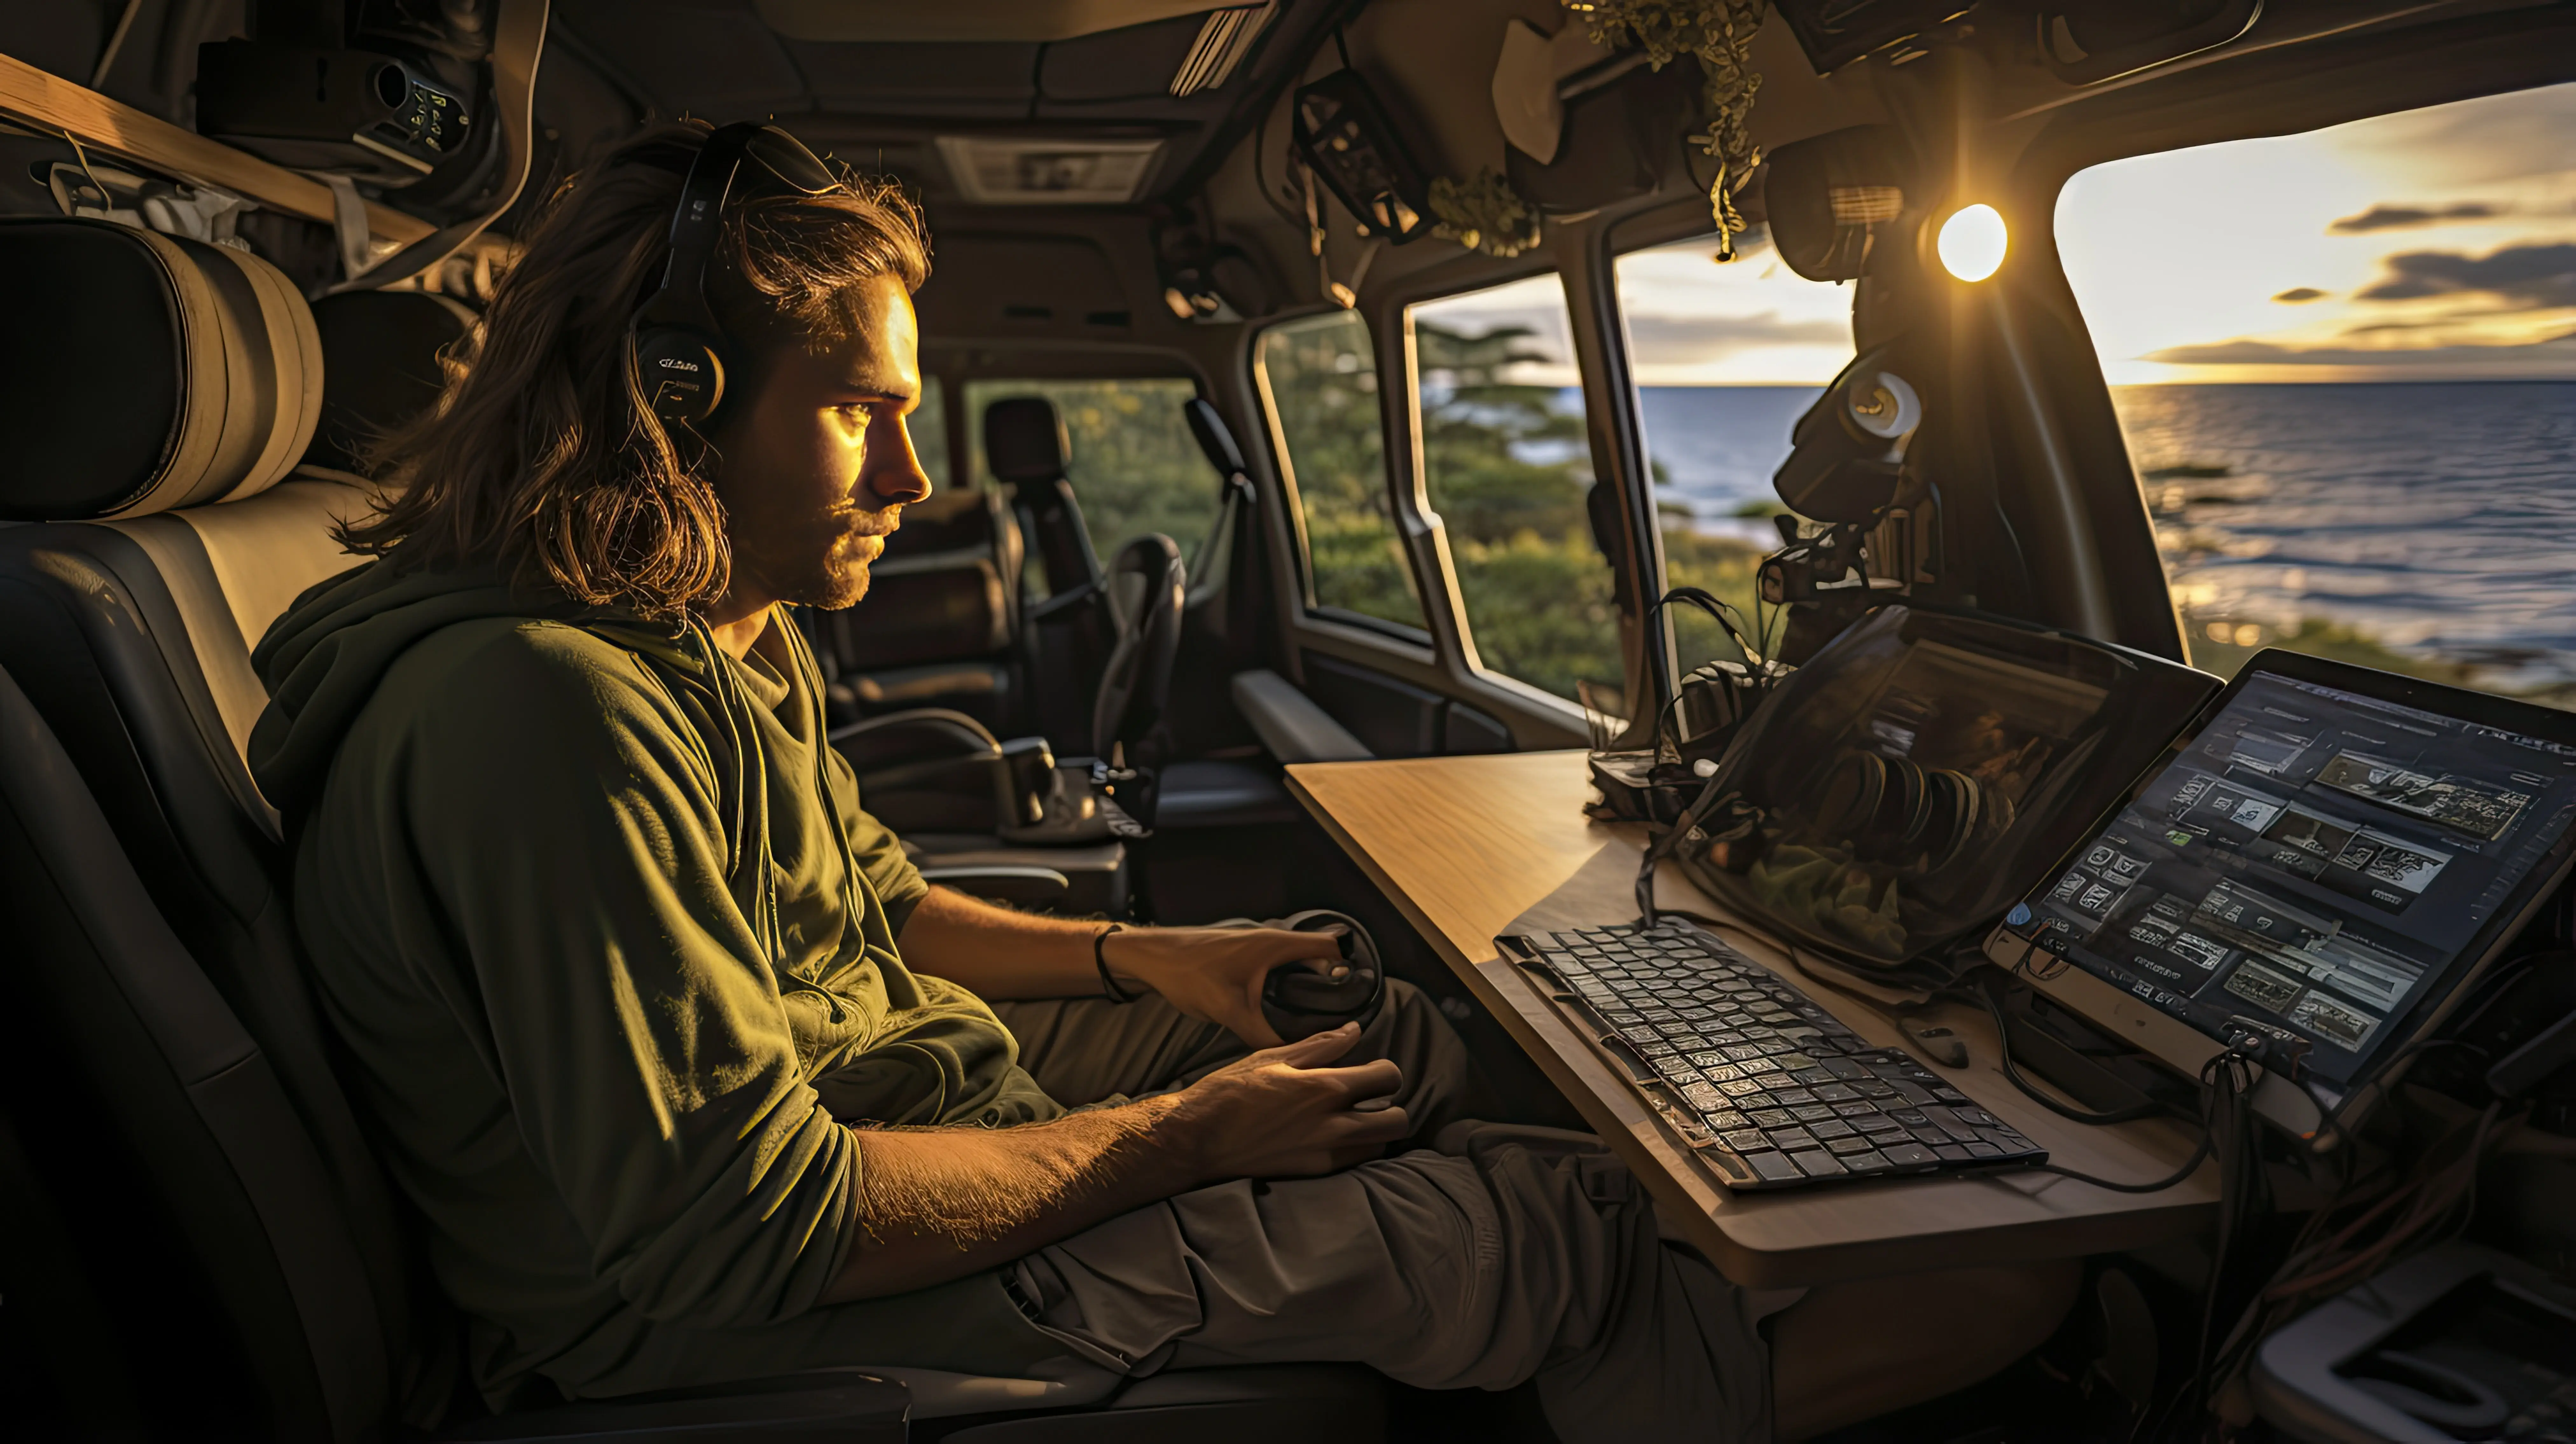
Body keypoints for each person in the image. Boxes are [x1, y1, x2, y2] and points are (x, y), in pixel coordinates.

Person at [251, 121, 2075, 1441]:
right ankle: (1618, 1344)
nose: (911, 472)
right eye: (855, 409)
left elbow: (870, 903)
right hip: (711, 1318)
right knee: (1539, 1222)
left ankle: (1581, 1323)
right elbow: (754, 1228)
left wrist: (1162, 969)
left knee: (1382, 1045)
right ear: (669, 394)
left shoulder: (708, 621)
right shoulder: (539, 716)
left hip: (878, 1086)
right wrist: (1179, 1142)